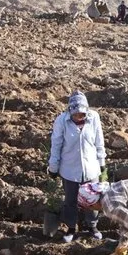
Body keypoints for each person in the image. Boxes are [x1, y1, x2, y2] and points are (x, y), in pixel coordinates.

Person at [47, 91, 106, 242]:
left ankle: (92, 226)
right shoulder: (61, 121)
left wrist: (102, 163)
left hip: (90, 167)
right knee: (70, 200)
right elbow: (56, 145)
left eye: (82, 114)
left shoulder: (94, 118)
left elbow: (99, 141)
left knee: (92, 200)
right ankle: (71, 228)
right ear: (70, 111)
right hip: (69, 169)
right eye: (76, 114)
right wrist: (53, 167)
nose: (79, 117)